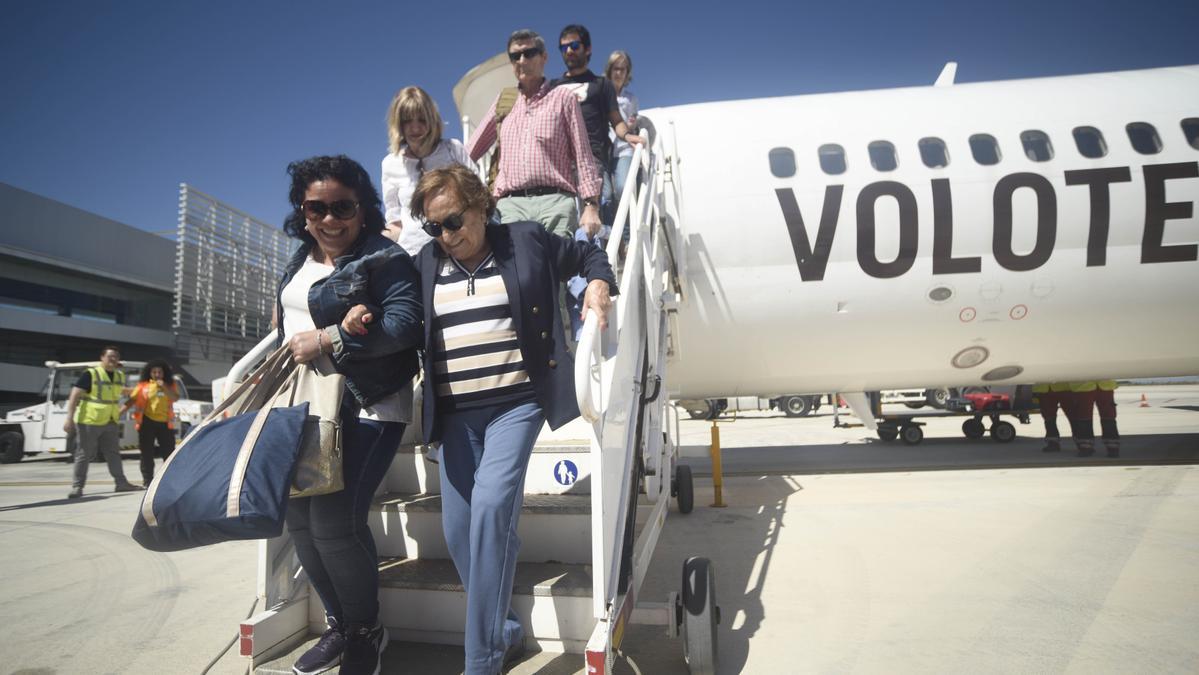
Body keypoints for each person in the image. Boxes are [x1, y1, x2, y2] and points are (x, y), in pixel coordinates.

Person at [342, 166, 616, 675]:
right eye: (434, 227)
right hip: (455, 416)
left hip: (516, 403)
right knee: (460, 531)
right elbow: (392, 307)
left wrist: (599, 284)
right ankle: (505, 629)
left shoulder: (526, 241)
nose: (446, 236)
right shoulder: (425, 263)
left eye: (453, 221)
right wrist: (362, 314)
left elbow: (589, 254)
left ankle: (481, 661)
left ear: (481, 206)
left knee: (491, 509)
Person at [276, 155, 423, 675]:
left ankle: (365, 631)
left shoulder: (385, 257)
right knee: (298, 520)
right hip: (303, 405)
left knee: (335, 521)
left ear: (362, 208)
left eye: (342, 206)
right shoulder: (299, 256)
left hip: (367, 404)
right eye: (317, 207)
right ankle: (341, 624)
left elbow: (406, 325)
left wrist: (332, 336)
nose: (329, 218)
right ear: (303, 208)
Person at [465, 29, 603, 238]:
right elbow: (469, 153)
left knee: (557, 270)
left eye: (529, 53)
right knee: (518, 270)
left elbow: (583, 155)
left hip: (556, 204)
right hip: (511, 207)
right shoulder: (504, 102)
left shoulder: (563, 98)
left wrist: (591, 205)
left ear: (544, 57)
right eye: (515, 56)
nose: (522, 60)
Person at [552, 25, 643, 227]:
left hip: (591, 156)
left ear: (588, 49)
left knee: (601, 204)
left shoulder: (602, 84)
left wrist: (628, 136)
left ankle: (610, 249)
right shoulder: (552, 87)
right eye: (563, 47)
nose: (569, 51)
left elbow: (616, 120)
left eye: (574, 45)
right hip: (560, 160)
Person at [381, 86, 476, 257]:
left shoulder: (453, 149)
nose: (415, 128)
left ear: (432, 120)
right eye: (407, 121)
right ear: (398, 124)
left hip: (457, 248)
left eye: (422, 120)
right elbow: (395, 224)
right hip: (413, 255)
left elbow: (478, 197)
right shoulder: (389, 164)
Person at [64, 346, 141, 498]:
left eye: (116, 356)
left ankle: (121, 483)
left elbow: (121, 391)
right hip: (89, 420)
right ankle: (77, 487)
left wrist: (142, 389)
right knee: (84, 454)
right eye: (110, 356)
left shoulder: (118, 376)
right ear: (102, 357)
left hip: (110, 421)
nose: (113, 359)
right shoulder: (91, 374)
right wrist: (69, 418)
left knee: (113, 453)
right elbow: (74, 395)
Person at [120, 359, 179, 485]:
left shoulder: (170, 385)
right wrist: (118, 413)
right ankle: (147, 480)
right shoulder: (143, 386)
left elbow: (174, 398)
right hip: (147, 423)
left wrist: (163, 386)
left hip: (165, 423)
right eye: (154, 372)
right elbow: (131, 401)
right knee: (147, 453)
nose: (157, 374)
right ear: (149, 373)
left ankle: (169, 479)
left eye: (159, 372)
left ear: (164, 373)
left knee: (169, 453)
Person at [605, 49, 639, 217]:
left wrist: (632, 125)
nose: (618, 73)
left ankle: (626, 234)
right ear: (610, 70)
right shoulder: (602, 93)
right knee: (605, 195)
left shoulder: (630, 99)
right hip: (605, 148)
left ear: (627, 73)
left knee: (622, 188)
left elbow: (632, 120)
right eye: (615, 68)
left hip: (624, 148)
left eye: (622, 69)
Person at [1032, 381, 1071, 453]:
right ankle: (1052, 442)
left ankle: (1083, 443)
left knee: (1074, 416)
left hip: (1063, 388)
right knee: (1049, 418)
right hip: (1043, 389)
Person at [1066, 380, 1099, 457]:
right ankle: (1084, 446)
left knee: (1084, 418)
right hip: (1083, 387)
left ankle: (1085, 447)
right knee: (1082, 418)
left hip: (1084, 388)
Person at [1095, 379, 1121, 457]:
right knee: (1083, 416)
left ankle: (1113, 448)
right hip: (1084, 387)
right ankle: (1085, 446)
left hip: (1103, 386)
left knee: (1108, 417)